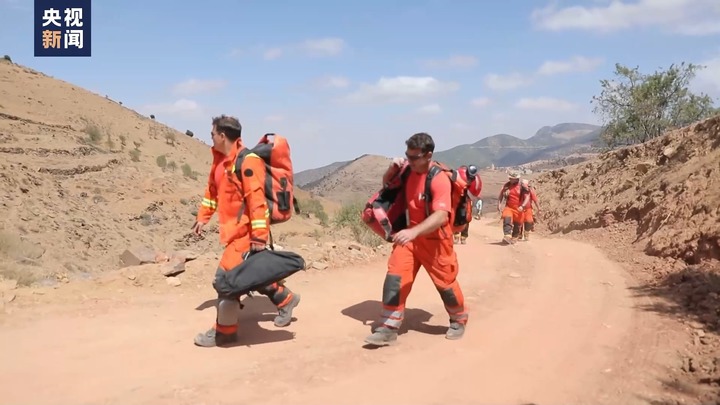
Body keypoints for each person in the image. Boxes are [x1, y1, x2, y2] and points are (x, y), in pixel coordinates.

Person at [191, 114, 301, 347]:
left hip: (246, 234)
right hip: (232, 233)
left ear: (222, 135)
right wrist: (203, 217)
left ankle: (225, 332)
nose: (210, 137)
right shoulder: (220, 162)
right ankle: (286, 299)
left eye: (212, 134)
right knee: (250, 275)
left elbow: (256, 201)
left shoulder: (248, 161)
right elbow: (212, 192)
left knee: (225, 281)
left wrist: (259, 237)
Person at [365, 132, 469, 346]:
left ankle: (458, 319)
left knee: (446, 285)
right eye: (407, 155)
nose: (410, 160)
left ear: (428, 155)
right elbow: (387, 186)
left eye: (414, 157)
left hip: (435, 242)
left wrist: (414, 232)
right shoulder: (407, 171)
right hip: (410, 239)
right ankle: (388, 328)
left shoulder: (439, 178)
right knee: (395, 279)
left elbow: (441, 216)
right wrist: (391, 169)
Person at [497, 172, 530, 244]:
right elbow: (501, 195)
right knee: (507, 219)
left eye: (512, 178)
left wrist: (522, 206)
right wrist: (499, 204)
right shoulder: (507, 186)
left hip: (519, 209)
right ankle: (507, 235)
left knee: (517, 224)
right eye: (510, 178)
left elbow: (527, 197)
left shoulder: (522, 187)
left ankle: (514, 237)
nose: (510, 179)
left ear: (517, 179)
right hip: (509, 207)